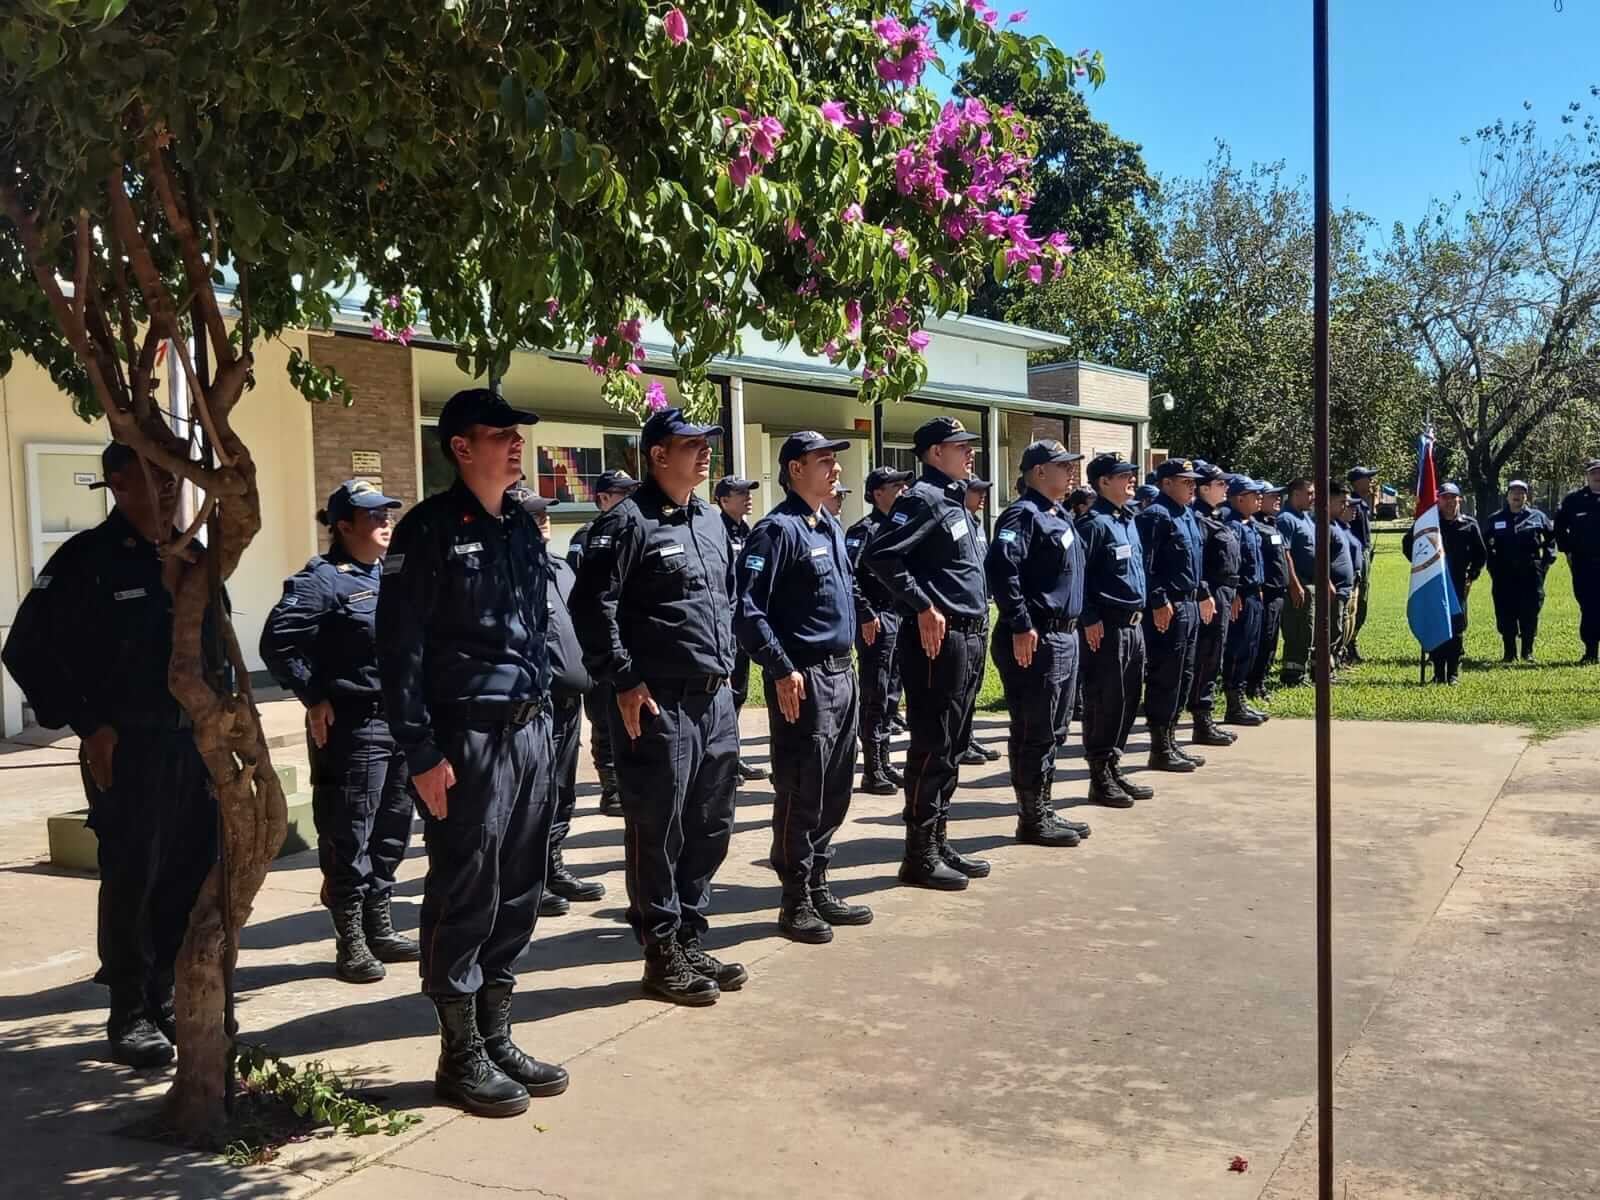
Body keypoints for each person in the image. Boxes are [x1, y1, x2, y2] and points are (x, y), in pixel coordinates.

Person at [376, 387, 565, 1117]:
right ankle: (459, 1054)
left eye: (519, 433)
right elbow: (399, 650)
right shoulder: (426, 530)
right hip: (466, 737)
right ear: (460, 447)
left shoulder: (520, 525)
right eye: (501, 434)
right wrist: (420, 750)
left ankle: (495, 1032)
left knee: (519, 883)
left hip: (528, 730)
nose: (516, 443)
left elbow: (533, 630)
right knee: (466, 886)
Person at [2, 443, 219, 1069]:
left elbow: (216, 649)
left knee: (187, 872)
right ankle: (129, 1008)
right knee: (134, 875)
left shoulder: (195, 556)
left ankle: (166, 997)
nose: (171, 486)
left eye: (175, 474)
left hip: (192, 747)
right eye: (153, 474)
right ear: (117, 483)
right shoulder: (87, 560)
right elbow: (26, 651)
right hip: (129, 747)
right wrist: (89, 726)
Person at [572, 408, 746, 1005]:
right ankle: (661, 948)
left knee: (712, 822)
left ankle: (690, 932)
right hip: (657, 703)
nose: (704, 455)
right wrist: (622, 680)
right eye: (690, 445)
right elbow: (592, 609)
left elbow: (722, 603)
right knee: (658, 826)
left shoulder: (711, 521)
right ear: (657, 456)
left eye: (707, 445)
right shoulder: (626, 523)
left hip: (715, 698)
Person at [260, 480, 419, 985]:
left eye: (387, 514)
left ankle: (379, 925)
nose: (385, 523)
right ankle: (349, 939)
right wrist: (314, 695)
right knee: (350, 829)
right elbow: (278, 642)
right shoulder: (323, 580)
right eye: (373, 517)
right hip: (355, 725)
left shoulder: (394, 573)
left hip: (400, 721)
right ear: (343, 526)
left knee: (393, 826)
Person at [734, 431, 873, 942]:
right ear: (795, 469)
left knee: (835, 786)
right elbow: (747, 611)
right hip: (803, 677)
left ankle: (818, 883)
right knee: (802, 788)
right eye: (823, 462)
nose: (835, 470)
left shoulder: (829, 526)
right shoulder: (776, 532)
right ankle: (794, 900)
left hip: (842, 672)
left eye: (834, 461)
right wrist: (778, 667)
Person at [864, 416, 991, 891]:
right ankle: (917, 853)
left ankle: (938, 839)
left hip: (969, 636)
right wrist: (923, 606)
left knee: (955, 744)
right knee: (933, 744)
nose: (969, 453)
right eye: (960, 447)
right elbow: (879, 556)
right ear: (935, 453)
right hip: (941, 640)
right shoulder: (922, 498)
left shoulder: (955, 500)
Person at [986, 440, 1094, 846]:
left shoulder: (1058, 514)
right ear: (1038, 472)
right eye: (1062, 466)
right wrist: (1019, 624)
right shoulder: (1023, 514)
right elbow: (1002, 567)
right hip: (1038, 636)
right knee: (1035, 728)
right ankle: (1031, 818)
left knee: (1055, 729)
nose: (1071, 473)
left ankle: (1044, 807)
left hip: (1064, 634)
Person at [515, 490, 606, 918]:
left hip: (570, 703)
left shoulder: (561, 569)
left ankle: (553, 865)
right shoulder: (511, 573)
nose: (543, 521)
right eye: (532, 516)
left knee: (562, 790)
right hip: (535, 705)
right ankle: (527, 878)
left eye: (544, 514)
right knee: (535, 793)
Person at [1075, 452, 1150, 808]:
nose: (1131, 480)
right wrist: (1088, 618)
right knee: (1104, 700)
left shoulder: (1127, 520)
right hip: (1106, 626)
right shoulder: (1093, 524)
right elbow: (1079, 577)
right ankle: (1099, 775)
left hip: (1133, 625)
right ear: (1103, 482)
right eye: (1123, 475)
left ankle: (1113, 766)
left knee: (1128, 699)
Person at [568, 469, 641, 816]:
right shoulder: (588, 536)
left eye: (631, 492)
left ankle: (626, 782)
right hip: (599, 640)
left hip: (629, 641)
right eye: (620, 493)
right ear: (602, 499)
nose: (627, 498)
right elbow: (582, 594)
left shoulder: (634, 531)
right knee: (602, 715)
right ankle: (610, 786)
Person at [1135, 457, 1213, 773]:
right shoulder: (1156, 515)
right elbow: (1145, 564)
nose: (1192, 486)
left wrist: (1204, 591)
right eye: (1186, 481)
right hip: (1169, 606)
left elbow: (1193, 562)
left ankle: (1171, 740)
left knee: (1185, 675)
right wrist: (1156, 600)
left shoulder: (1187, 514)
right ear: (1166, 483)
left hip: (1190, 604)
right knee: (1166, 676)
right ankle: (1159, 747)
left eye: (1194, 481)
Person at [846, 467, 913, 795]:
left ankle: (885, 761)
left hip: (901, 617)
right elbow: (850, 578)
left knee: (892, 692)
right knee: (876, 691)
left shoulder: (901, 527)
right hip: (878, 618)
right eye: (894, 485)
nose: (902, 489)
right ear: (876, 493)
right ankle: (872, 768)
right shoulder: (865, 531)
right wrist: (866, 614)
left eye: (903, 484)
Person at [1402, 482, 1487, 684]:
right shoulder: (1429, 524)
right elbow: (1408, 545)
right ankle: (1439, 672)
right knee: (1438, 624)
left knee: (1456, 628)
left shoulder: (1469, 524)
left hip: (1457, 584)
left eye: (1452, 498)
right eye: (1444, 498)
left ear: (1460, 500)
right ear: (1438, 500)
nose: (1449, 502)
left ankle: (1453, 674)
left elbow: (1480, 555)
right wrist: (1422, 567)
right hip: (1433, 582)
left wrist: (1471, 576)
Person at [715, 476, 769, 783]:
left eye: (749, 492)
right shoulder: (717, 531)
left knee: (738, 694)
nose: (747, 497)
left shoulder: (748, 532)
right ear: (723, 500)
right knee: (724, 697)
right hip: (725, 627)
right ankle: (722, 763)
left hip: (743, 624)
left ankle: (733, 758)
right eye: (740, 493)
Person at [1188, 461, 1241, 748]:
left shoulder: (1217, 516)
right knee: (1206, 657)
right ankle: (1201, 718)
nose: (1226, 488)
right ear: (1204, 488)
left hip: (1225, 591)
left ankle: (1205, 715)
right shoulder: (1198, 519)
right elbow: (1197, 564)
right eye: (1221, 484)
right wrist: (1205, 593)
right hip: (1210, 594)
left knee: (1215, 655)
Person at [1485, 480, 1557, 662]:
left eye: (1521, 493)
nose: (1517, 496)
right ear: (1507, 495)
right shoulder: (1496, 519)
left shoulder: (1538, 517)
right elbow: (1484, 544)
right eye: (1514, 492)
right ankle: (1509, 653)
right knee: (1505, 611)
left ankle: (1527, 652)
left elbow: (1551, 540)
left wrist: (1545, 562)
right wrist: (1492, 565)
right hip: (1504, 573)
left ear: (1526, 496)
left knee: (1530, 611)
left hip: (1531, 571)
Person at [1221, 478, 1268, 725]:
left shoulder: (1249, 524)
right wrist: (1236, 592)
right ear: (1239, 498)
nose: (1259, 499)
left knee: (1250, 647)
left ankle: (1241, 700)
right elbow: (1232, 561)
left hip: (1254, 592)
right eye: (1254, 495)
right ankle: (1233, 704)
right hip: (1242, 594)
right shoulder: (1233, 525)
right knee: (1238, 649)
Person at [960, 478, 1000, 766]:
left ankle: (968, 735)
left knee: (975, 682)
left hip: (981, 611)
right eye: (976, 491)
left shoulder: (975, 524)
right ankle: (960, 743)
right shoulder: (953, 521)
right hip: (960, 618)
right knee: (960, 686)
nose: (983, 496)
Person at [1554, 459, 1600, 663]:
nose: (1597, 476)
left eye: (1599, 472)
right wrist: (1568, 550)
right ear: (1587, 476)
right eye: (1593, 472)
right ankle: (1591, 652)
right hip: (1584, 565)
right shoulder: (1574, 500)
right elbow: (1559, 527)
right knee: (1588, 607)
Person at [1275, 477, 1318, 687]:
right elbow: (1285, 553)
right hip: (1298, 583)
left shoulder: (1306, 518)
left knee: (1308, 629)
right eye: (1309, 493)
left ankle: (1302, 670)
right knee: (1297, 630)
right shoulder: (1286, 519)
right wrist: (1294, 584)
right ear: (1296, 494)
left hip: (1311, 583)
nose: (1313, 497)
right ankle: (1292, 675)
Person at [1249, 483, 1289, 703]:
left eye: (1278, 496)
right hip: (1265, 593)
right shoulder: (1255, 527)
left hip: (1277, 593)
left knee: (1272, 641)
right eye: (1272, 496)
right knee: (1261, 641)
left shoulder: (1272, 525)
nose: (1277, 500)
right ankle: (1252, 684)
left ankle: (1261, 682)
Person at [1345, 467, 1378, 662]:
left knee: (1362, 601)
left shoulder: (1362, 505)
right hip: (1356, 556)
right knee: (1356, 601)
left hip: (1364, 553)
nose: (1371, 482)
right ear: (1357, 482)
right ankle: (1348, 645)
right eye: (1368, 478)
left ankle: (1352, 642)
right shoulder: (1352, 505)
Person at [1328, 482, 1360, 669]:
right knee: (1332, 630)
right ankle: (1323, 670)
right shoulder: (1324, 525)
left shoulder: (1337, 525)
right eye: (1342, 502)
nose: (1345, 506)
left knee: (1339, 628)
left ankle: (1333, 664)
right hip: (1334, 587)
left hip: (1344, 587)